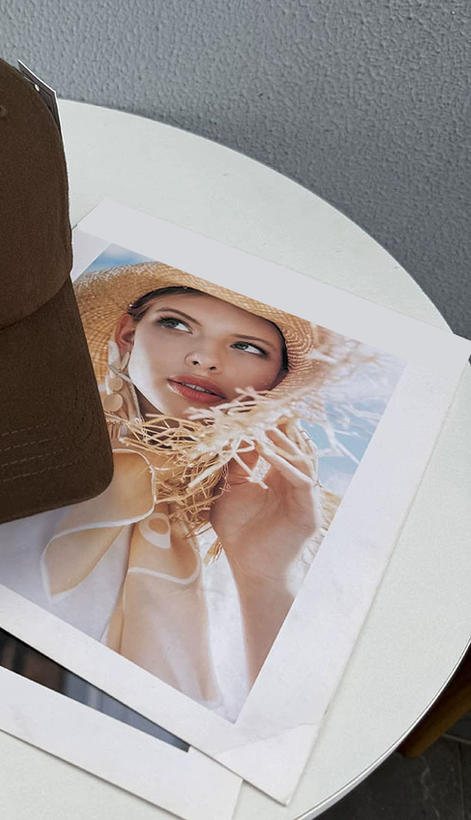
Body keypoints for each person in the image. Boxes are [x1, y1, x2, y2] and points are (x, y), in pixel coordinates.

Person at [40, 260, 375, 711]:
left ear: (278, 380)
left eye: (248, 347)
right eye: (177, 324)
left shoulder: (284, 527)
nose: (205, 358)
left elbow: (292, 725)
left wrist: (263, 576)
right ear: (127, 335)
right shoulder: (32, 445)